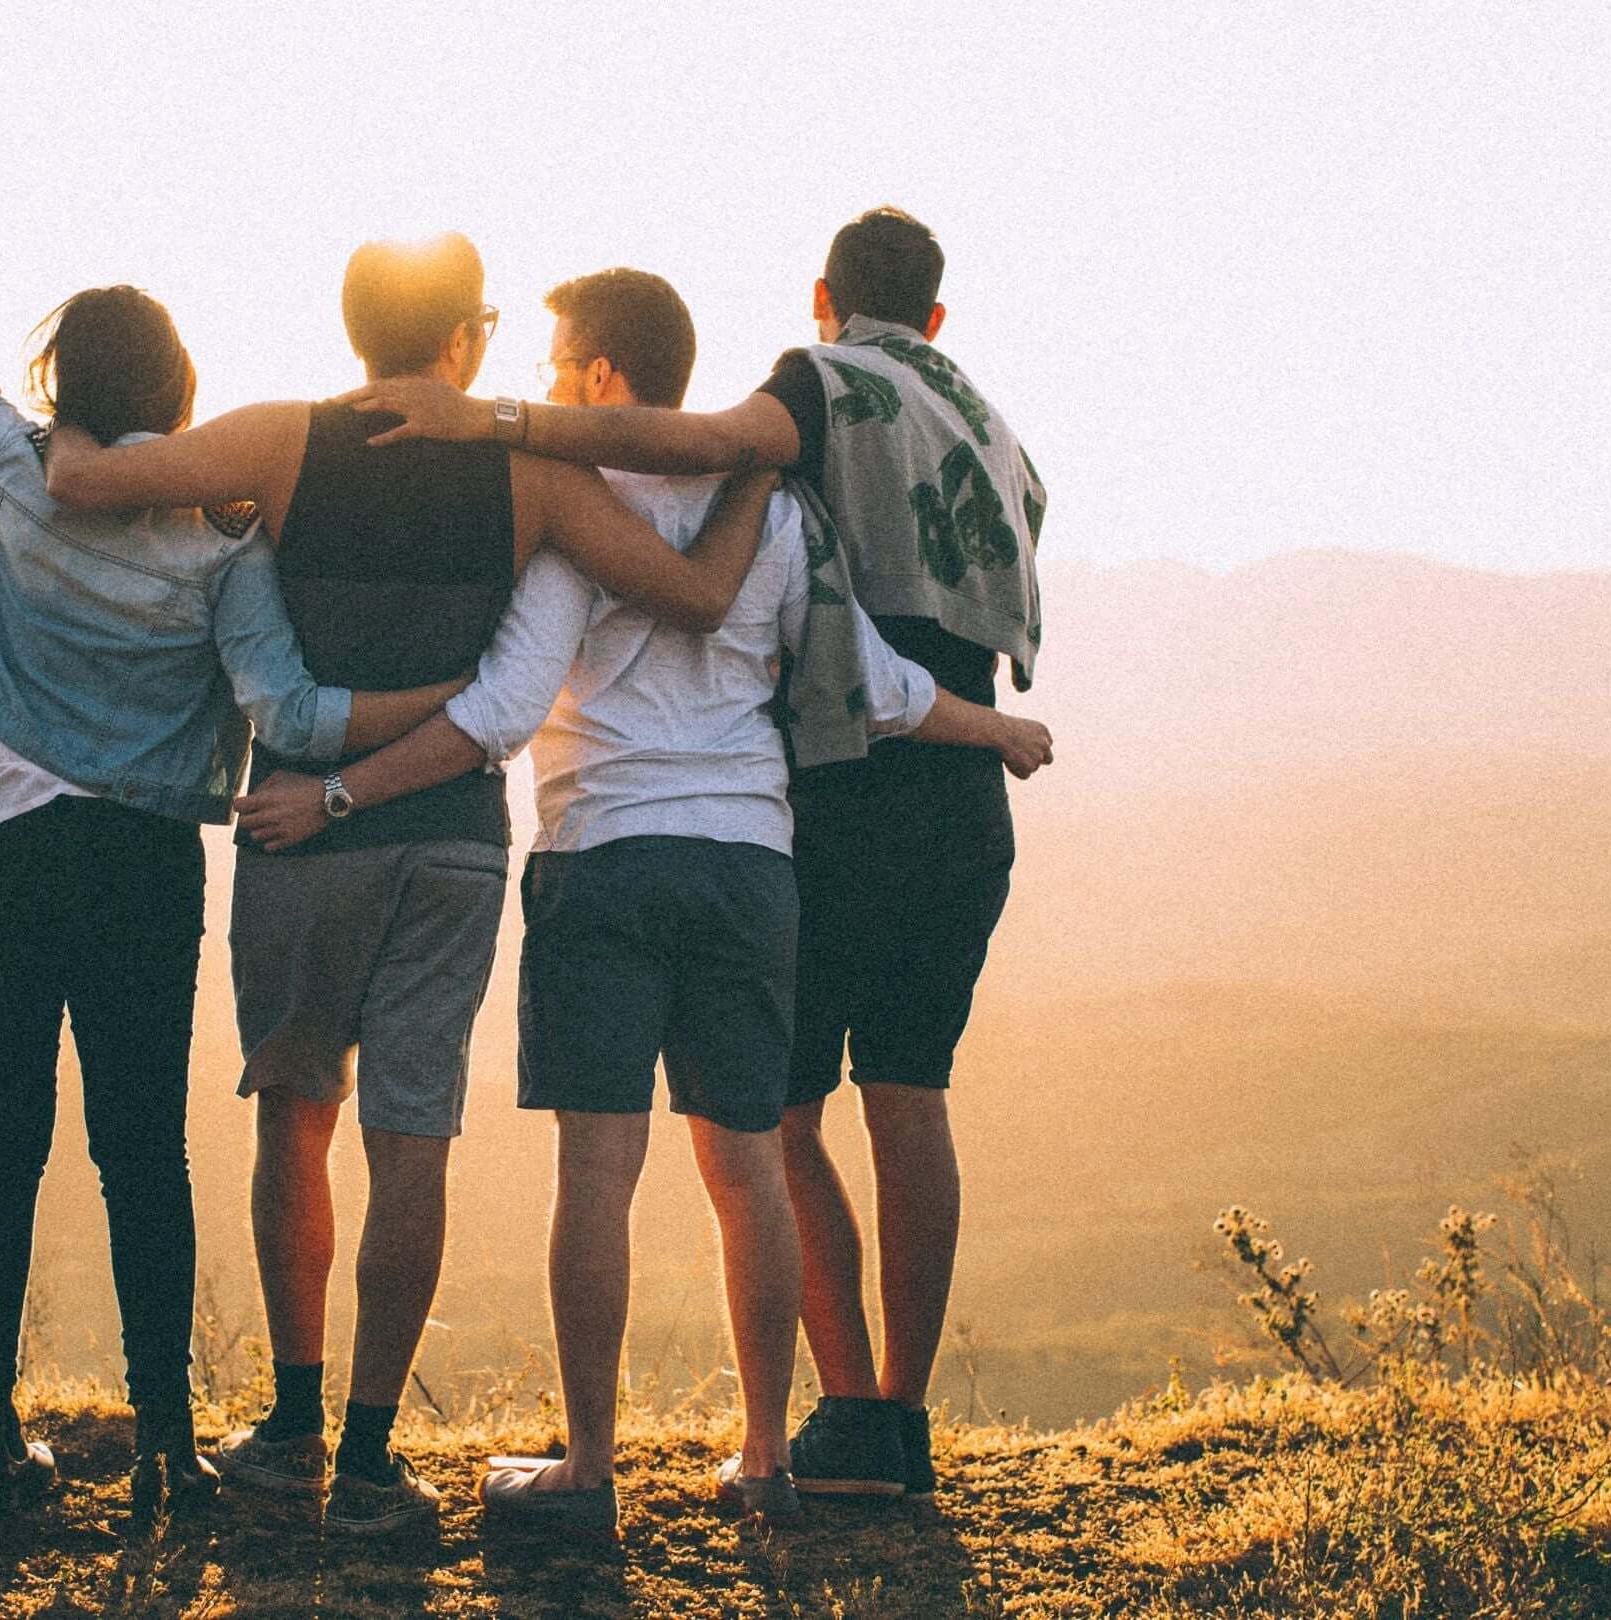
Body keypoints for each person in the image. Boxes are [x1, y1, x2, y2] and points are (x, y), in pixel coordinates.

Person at [239, 268, 1051, 1539]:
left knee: (598, 1172)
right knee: (750, 1164)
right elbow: (873, 682)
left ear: (603, 376)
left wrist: (338, 794)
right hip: (751, 865)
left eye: (560, 361)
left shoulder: (577, 510)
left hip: (604, 859)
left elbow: (502, 712)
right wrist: (994, 728)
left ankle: (590, 1470)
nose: (548, 382)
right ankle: (767, 1458)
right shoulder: (772, 511)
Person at [0, 51, 466, 1525]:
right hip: (139, 865)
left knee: (0, 1140)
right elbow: (288, 712)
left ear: (63, 384)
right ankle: (166, 1443)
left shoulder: (8, 466)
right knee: (140, 1153)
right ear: (180, 393)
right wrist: (456, 702)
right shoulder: (219, 540)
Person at [43, 235, 768, 1536]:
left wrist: (65, 413)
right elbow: (694, 595)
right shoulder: (531, 474)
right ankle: (372, 1461)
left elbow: (90, 481)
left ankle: (291, 1431)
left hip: (297, 833)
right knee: (410, 1137)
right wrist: (765, 464)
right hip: (451, 842)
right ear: (465, 341)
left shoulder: (280, 440)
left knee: (294, 1117)